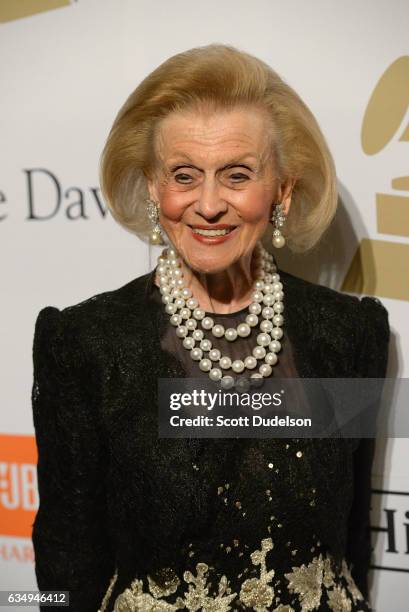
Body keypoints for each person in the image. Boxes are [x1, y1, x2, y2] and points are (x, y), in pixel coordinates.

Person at [31, 44, 390, 611]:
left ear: (283, 190)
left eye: (237, 175)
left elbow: (349, 543)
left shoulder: (349, 333)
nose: (208, 204)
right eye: (184, 175)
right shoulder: (86, 343)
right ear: (153, 186)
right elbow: (64, 556)